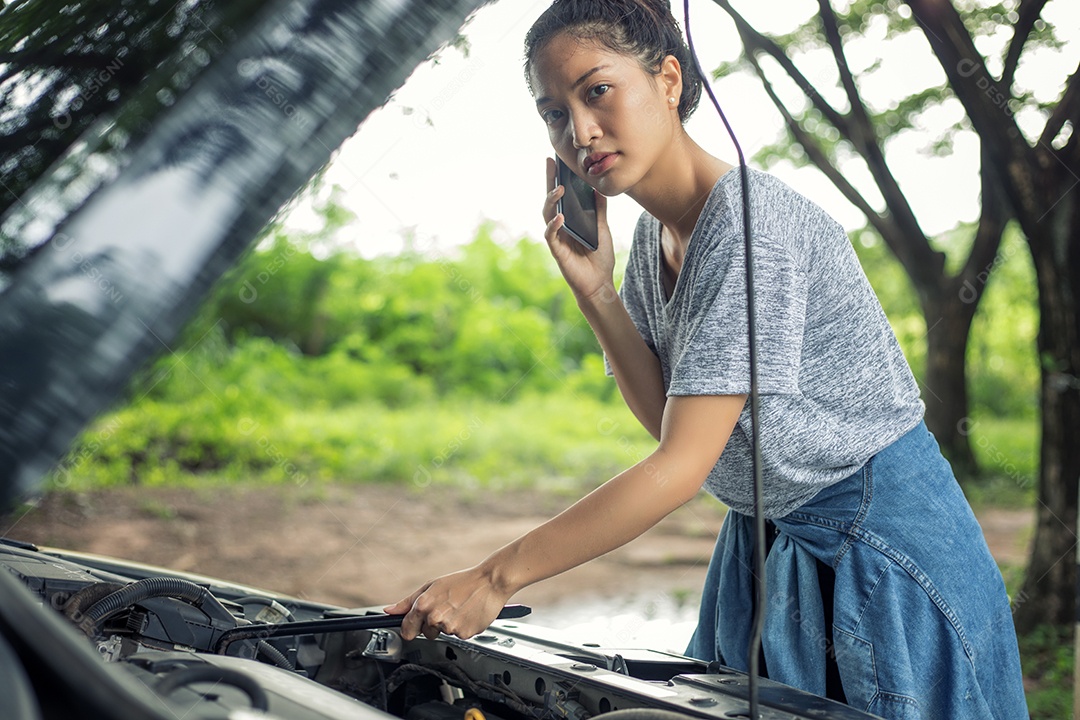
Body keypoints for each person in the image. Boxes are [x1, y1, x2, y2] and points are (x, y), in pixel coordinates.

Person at [385, 1, 1029, 717]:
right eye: (553, 112)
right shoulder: (654, 239)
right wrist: (596, 290)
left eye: (596, 91)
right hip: (772, 538)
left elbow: (680, 468)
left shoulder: (751, 230)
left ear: (667, 78)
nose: (579, 132)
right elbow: (669, 425)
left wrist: (496, 578)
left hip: (879, 552)